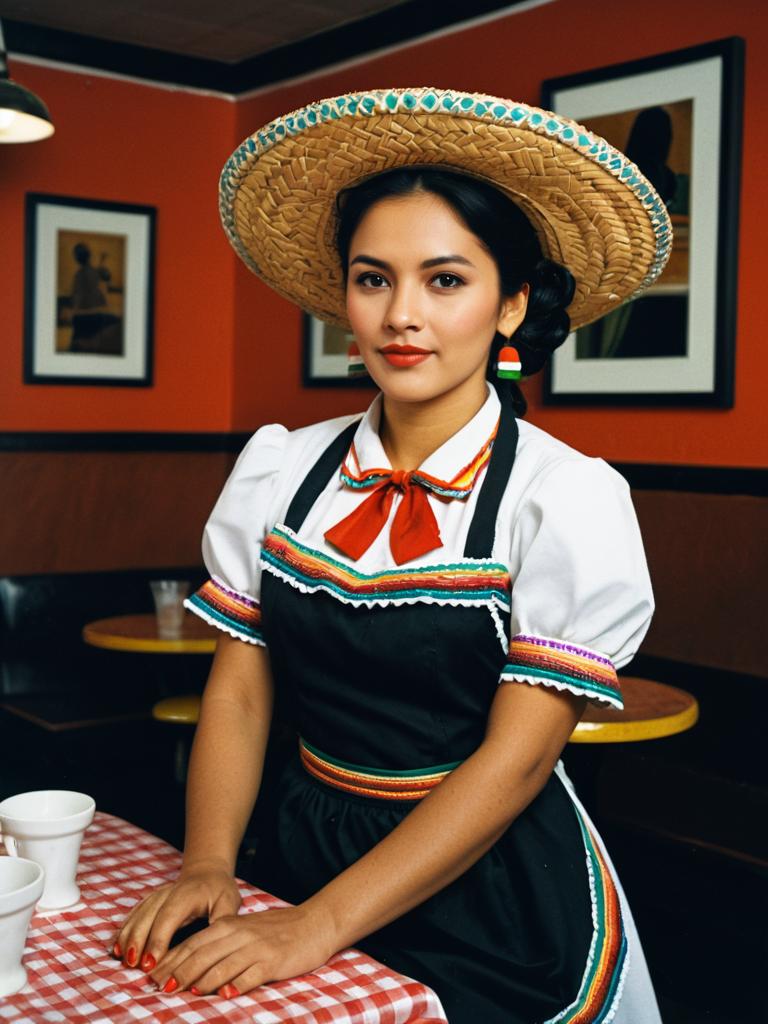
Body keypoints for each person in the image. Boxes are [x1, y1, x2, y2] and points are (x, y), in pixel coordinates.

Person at [113, 88, 670, 1023]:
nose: (401, 314)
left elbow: (518, 765)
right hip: (293, 849)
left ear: (512, 304)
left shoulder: (565, 497)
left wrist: (313, 929)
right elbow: (242, 690)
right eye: (374, 279)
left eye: (445, 280)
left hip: (487, 890)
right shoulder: (282, 469)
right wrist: (209, 862)